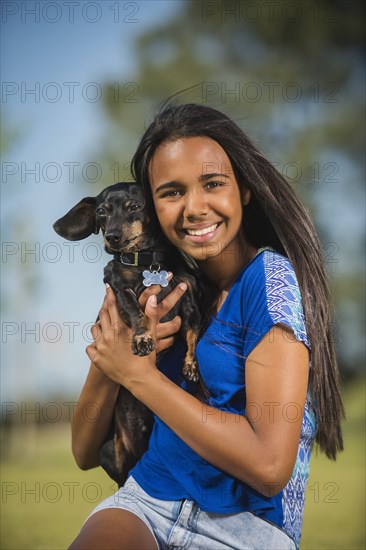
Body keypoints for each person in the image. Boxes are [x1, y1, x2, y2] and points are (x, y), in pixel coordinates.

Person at [68, 103, 344, 550]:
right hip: (145, 501)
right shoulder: (160, 292)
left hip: (246, 526)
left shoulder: (269, 282)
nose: (195, 208)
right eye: (172, 192)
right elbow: (84, 452)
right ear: (152, 206)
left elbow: (270, 468)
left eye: (213, 184)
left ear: (245, 190)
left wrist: (137, 375)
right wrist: (108, 364)